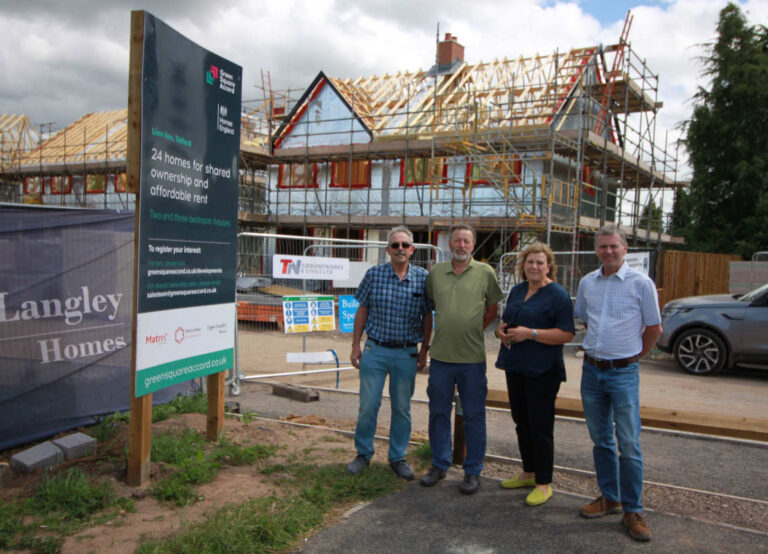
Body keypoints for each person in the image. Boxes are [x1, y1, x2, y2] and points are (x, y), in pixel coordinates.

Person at [574, 225, 662, 542]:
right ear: (596, 250)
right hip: (592, 371)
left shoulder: (641, 284)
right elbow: (585, 318)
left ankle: (633, 510)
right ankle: (610, 497)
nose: (608, 251)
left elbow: (654, 328)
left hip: (624, 372)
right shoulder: (588, 283)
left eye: (614, 246)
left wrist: (634, 356)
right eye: (603, 246)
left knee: (629, 443)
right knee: (601, 440)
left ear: (625, 248)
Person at [420, 223, 504, 494]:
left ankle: (473, 470)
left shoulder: (485, 273)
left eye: (466, 241)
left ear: (473, 244)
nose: (461, 245)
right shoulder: (436, 273)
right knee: (438, 413)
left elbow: (492, 309)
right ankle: (439, 464)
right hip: (441, 358)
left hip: (472, 360)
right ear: (450, 243)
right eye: (457, 240)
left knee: (474, 416)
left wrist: (472, 330)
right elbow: (431, 307)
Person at [347, 226, 432, 481]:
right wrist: (355, 345)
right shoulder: (374, 275)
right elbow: (362, 310)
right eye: (395, 245)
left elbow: (428, 316)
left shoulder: (423, 278)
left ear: (412, 249)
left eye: (405, 245)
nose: (400, 249)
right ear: (388, 250)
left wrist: (424, 350)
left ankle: (397, 457)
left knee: (402, 408)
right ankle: (363, 453)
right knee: (368, 405)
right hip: (375, 350)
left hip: (406, 353)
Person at [494, 242, 574, 506]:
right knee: (521, 421)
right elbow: (507, 321)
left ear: (548, 266)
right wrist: (501, 331)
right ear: (523, 265)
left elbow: (566, 334)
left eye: (540, 263)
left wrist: (531, 334)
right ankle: (528, 472)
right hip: (516, 366)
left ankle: (543, 482)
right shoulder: (518, 290)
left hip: (543, 371)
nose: (534, 267)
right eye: (530, 262)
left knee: (540, 426)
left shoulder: (557, 295)